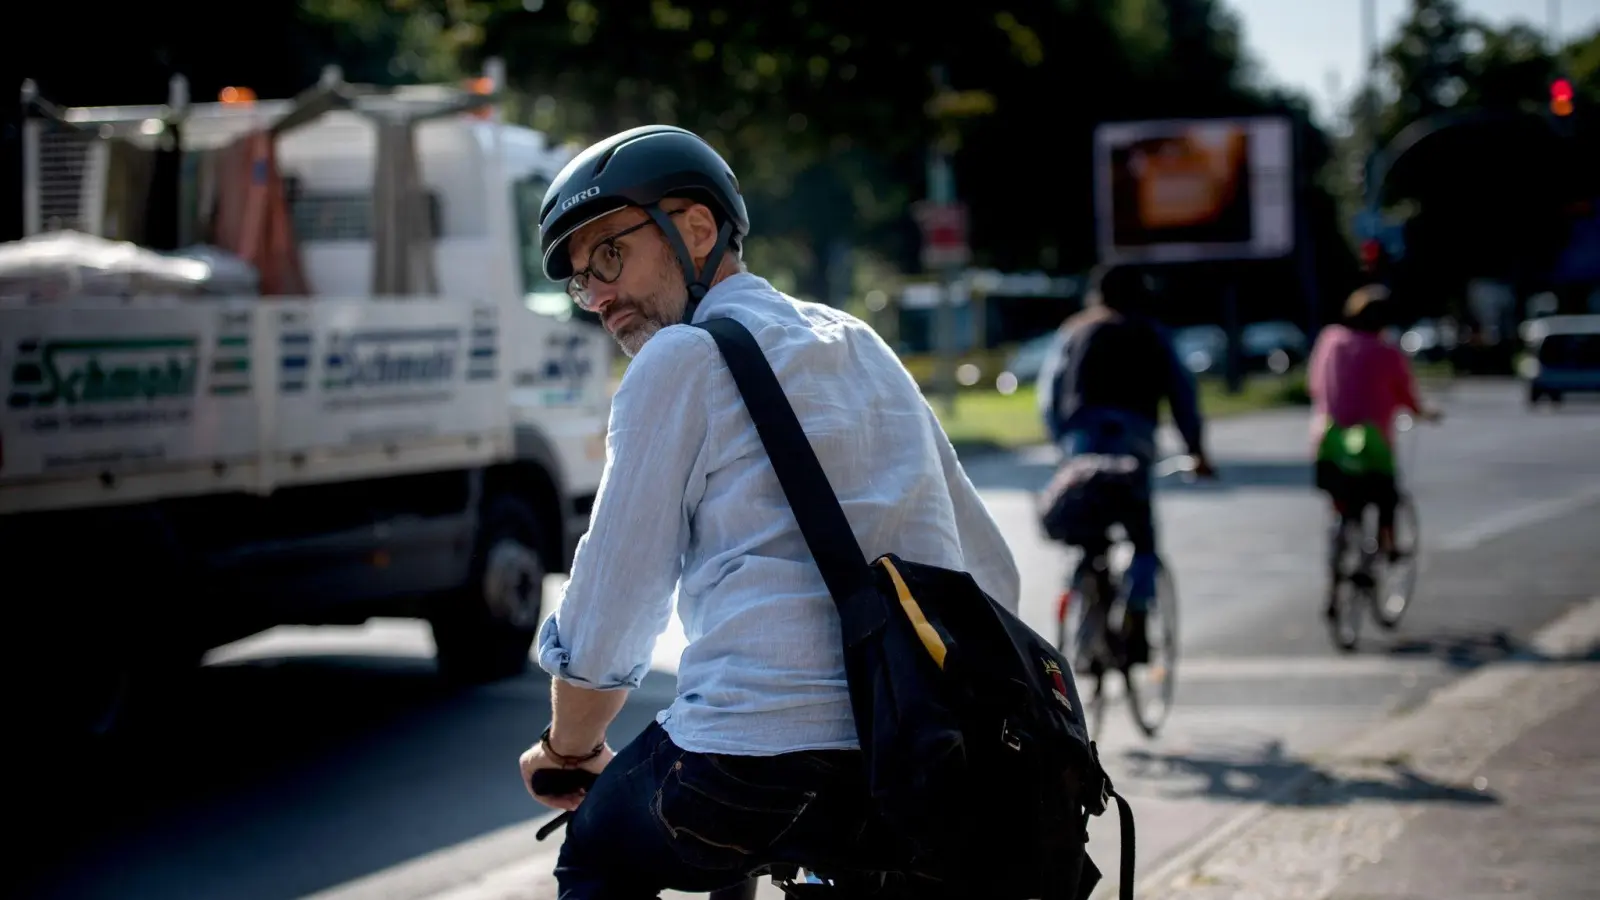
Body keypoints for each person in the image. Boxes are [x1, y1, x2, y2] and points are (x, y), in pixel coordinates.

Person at [516, 124, 1021, 900]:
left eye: (608, 256)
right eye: (581, 281)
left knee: (599, 852)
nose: (600, 297)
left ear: (696, 228)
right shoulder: (860, 344)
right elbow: (991, 573)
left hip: (750, 754)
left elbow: (613, 603)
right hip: (914, 757)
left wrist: (569, 745)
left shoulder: (677, 361)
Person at [1037, 263, 1214, 665]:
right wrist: (1198, 450)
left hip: (1081, 440)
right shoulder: (1151, 332)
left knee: (1087, 536)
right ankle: (1135, 608)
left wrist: (1063, 444)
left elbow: (1049, 397)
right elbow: (1182, 395)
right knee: (1143, 540)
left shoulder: (1074, 331)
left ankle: (1084, 633)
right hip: (1133, 440)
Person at [1307, 284, 1441, 586]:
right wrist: (1425, 412)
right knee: (1386, 497)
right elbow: (1407, 396)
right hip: (1370, 447)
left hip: (1328, 443)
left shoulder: (1330, 341)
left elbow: (1315, 386)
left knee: (1342, 497)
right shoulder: (1386, 352)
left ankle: (1339, 545)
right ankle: (1388, 545)